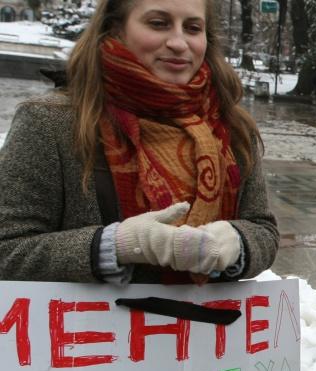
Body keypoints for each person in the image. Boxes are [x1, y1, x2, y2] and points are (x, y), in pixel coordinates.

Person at [0, 0, 278, 284]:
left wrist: (237, 243)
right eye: (158, 23)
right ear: (116, 28)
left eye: (193, 28)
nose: (179, 43)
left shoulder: (232, 126)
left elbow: (263, 229)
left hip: (205, 326)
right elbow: (7, 249)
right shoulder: (49, 122)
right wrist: (115, 245)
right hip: (96, 327)